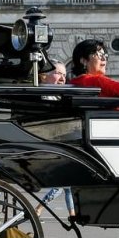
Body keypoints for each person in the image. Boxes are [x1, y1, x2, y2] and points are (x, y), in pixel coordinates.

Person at [35, 61, 75, 219]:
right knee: (65, 183)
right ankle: (40, 208)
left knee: (67, 185)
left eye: (65, 75)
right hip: (52, 147)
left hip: (61, 146)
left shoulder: (58, 97)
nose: (63, 78)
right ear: (44, 75)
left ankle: (71, 213)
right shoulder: (45, 96)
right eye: (58, 73)